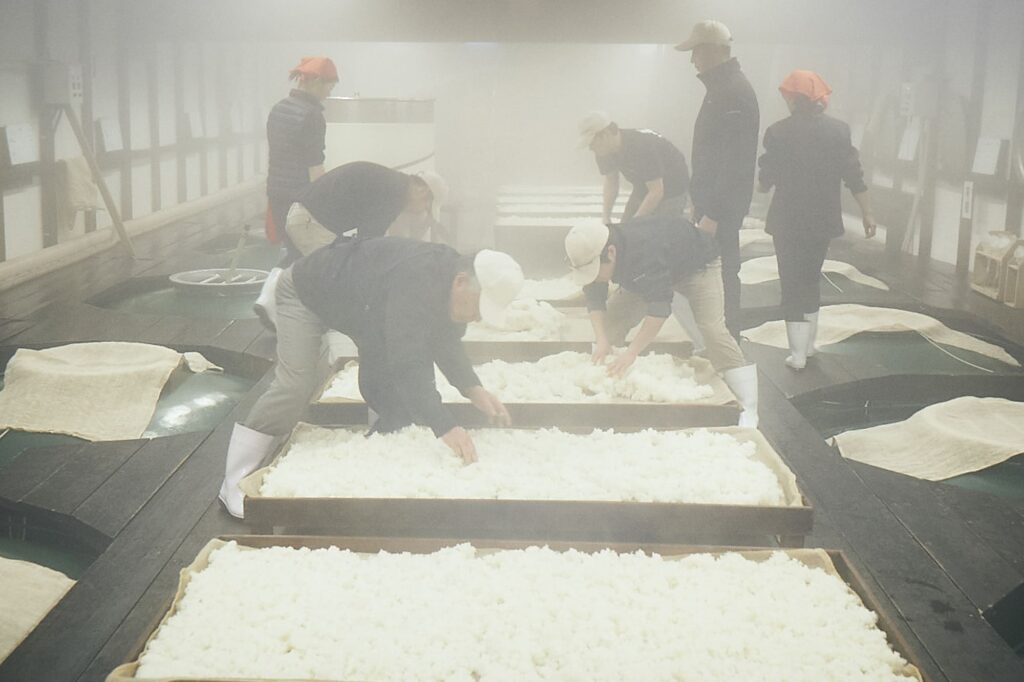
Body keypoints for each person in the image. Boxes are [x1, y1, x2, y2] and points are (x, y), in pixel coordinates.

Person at [218, 240, 523, 518]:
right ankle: (235, 481)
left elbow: (445, 341)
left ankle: (378, 449)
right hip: (306, 292)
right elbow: (409, 361)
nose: (478, 318)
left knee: (393, 391)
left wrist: (472, 388)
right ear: (461, 283)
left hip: (362, 309)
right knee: (295, 385)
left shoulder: (447, 281)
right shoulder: (418, 279)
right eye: (479, 308)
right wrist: (445, 425)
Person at [564, 216, 759, 428]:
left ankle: (748, 405)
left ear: (610, 252)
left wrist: (631, 353)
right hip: (648, 272)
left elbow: (659, 309)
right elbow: (594, 296)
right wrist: (602, 340)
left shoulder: (644, 252)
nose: (593, 277)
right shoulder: (598, 247)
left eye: (594, 270)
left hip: (697, 266)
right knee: (611, 323)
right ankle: (607, 380)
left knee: (712, 329)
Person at [757, 70, 877, 370]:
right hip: (822, 219)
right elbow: (854, 175)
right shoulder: (839, 131)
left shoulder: (778, 132)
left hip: (787, 219)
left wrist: (762, 183)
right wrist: (868, 213)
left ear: (793, 99)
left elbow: (766, 178)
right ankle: (808, 346)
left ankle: (796, 354)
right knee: (811, 277)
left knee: (791, 280)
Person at [676, 20, 760, 339]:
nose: (692, 60)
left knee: (723, 273)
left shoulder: (733, 92)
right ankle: (720, 339)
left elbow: (734, 162)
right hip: (712, 202)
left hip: (720, 207)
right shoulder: (722, 88)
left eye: (696, 51)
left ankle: (727, 342)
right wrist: (698, 201)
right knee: (715, 272)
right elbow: (712, 155)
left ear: (713, 50)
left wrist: (713, 211)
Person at [254, 56, 338, 329]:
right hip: (299, 195)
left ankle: (274, 303)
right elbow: (314, 164)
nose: (330, 92)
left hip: (276, 190)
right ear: (313, 81)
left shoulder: (279, 109)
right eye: (328, 85)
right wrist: (326, 200)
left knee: (291, 248)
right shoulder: (313, 116)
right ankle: (276, 304)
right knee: (308, 252)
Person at [285, 161, 447, 256]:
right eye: (427, 206)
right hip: (312, 224)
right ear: (422, 191)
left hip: (304, 216)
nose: (421, 212)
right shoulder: (393, 195)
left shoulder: (393, 183)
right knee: (332, 278)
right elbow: (368, 245)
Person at [577, 112, 691, 222]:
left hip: (673, 189)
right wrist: (606, 217)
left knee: (657, 234)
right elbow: (611, 181)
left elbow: (657, 191)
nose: (591, 148)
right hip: (643, 187)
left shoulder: (641, 145)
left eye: (592, 143)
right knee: (626, 231)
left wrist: (635, 223)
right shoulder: (603, 151)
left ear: (605, 134)